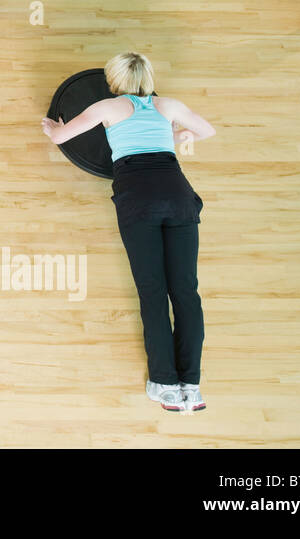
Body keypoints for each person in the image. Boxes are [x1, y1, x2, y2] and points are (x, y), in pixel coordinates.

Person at [41, 52, 215, 412]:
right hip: (178, 197)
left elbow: (61, 138)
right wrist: (174, 136)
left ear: (114, 79)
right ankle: (191, 386)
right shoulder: (168, 104)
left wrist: (54, 127)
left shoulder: (108, 107)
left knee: (153, 292)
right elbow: (206, 130)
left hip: (140, 202)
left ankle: (165, 384)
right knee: (185, 291)